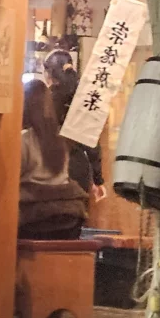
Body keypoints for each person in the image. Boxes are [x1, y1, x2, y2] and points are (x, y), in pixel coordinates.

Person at [19, 78, 88, 239]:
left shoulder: (24, 140)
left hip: (34, 218)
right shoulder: (61, 140)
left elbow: (11, 178)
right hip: (69, 217)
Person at [43, 49, 107, 203]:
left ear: (48, 74)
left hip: (47, 170)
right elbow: (92, 144)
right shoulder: (82, 101)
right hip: (78, 171)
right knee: (73, 221)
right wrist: (98, 180)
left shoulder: (42, 100)